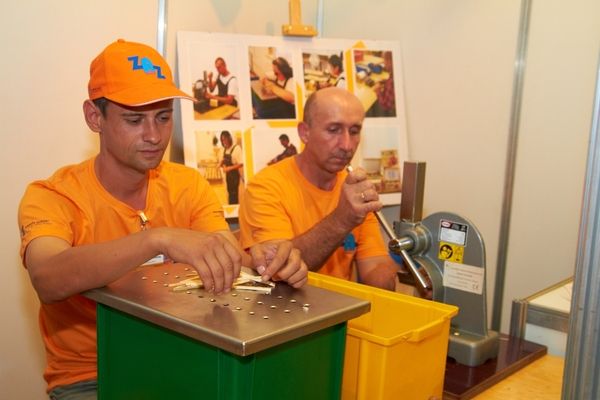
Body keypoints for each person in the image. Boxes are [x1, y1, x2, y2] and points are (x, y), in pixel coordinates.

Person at [18, 39, 307, 399]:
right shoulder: (53, 196)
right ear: (95, 117)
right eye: (134, 120)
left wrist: (266, 260)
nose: (154, 136)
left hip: (183, 356)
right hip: (92, 375)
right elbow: (47, 277)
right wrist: (156, 239)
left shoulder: (188, 184)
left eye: (163, 117)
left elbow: (225, 252)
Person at [239, 87, 398, 290]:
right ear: (305, 133)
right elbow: (278, 270)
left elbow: (374, 267)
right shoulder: (265, 187)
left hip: (343, 307)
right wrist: (342, 219)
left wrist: (398, 270)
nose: (347, 145)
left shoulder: (353, 188)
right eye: (333, 130)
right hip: (288, 308)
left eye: (354, 131)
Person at [218, 130, 243, 204]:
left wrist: (229, 168)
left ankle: (234, 208)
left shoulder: (236, 148)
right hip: (227, 176)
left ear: (229, 138)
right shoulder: (223, 149)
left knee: (234, 195)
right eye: (222, 140)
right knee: (229, 194)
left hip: (234, 176)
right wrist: (222, 164)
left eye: (225, 139)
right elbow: (223, 160)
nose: (224, 142)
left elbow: (241, 163)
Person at [372, 51, 396, 117]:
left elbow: (386, 105)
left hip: (390, 110)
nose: (384, 64)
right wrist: (385, 81)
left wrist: (378, 91)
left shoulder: (391, 83)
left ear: (391, 62)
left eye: (385, 61)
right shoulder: (394, 73)